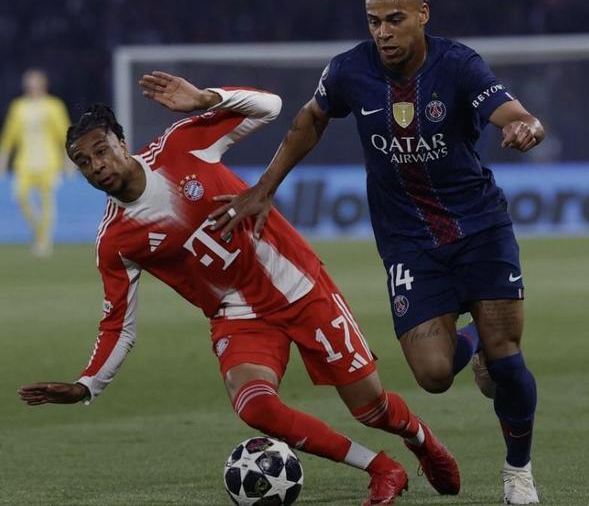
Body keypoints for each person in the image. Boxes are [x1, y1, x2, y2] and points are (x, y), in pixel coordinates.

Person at [18, 71, 462, 506]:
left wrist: (206, 99)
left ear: (122, 142)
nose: (97, 166)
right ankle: (381, 468)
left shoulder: (180, 145)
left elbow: (271, 107)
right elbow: (118, 326)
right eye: (84, 162)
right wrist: (87, 385)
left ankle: (419, 438)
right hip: (238, 315)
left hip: (296, 284)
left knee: (370, 408)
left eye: (102, 151)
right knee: (254, 406)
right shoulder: (115, 241)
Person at [209, 0, 545, 505]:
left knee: (506, 361)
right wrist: (264, 188)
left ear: (422, 14)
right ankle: (476, 341)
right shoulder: (349, 71)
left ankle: (518, 473)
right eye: (373, 21)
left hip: (479, 227)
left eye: (395, 19)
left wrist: (525, 126)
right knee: (433, 374)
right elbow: (310, 120)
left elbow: (510, 111)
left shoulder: (458, 65)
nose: (383, 32)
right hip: (407, 242)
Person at [0, 69, 72, 256]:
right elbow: (9, 136)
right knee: (20, 196)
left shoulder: (54, 106)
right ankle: (40, 231)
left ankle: (44, 241)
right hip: (24, 162)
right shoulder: (18, 107)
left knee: (47, 201)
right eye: (29, 83)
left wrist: (69, 160)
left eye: (35, 82)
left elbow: (64, 134)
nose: (32, 86)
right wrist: (3, 158)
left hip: (49, 161)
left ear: (43, 84)